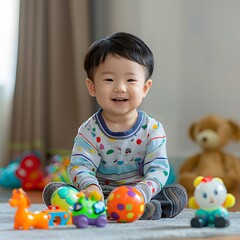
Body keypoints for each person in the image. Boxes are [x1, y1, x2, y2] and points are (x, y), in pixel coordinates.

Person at [42, 32, 187, 220]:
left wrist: (140, 194)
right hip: (99, 197)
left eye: (130, 80)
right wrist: (90, 188)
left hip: (139, 196)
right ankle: (106, 209)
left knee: (177, 193)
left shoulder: (153, 130)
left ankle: (144, 209)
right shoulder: (88, 130)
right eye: (109, 80)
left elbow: (158, 170)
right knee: (53, 190)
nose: (120, 87)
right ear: (92, 87)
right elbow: (80, 165)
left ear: (145, 88)